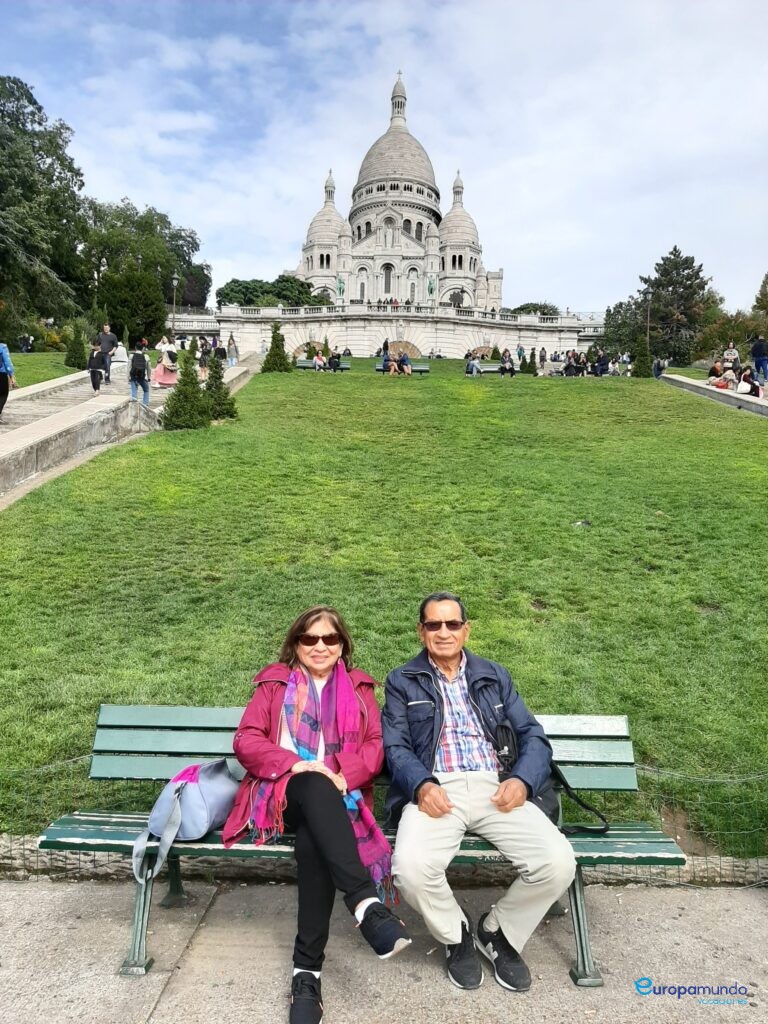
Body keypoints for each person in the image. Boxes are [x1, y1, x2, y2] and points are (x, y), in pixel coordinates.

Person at [222, 606, 411, 1024]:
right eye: (310, 639)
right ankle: (366, 903)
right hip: (280, 795)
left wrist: (343, 773)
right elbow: (246, 739)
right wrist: (293, 763)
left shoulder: (360, 690)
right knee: (312, 783)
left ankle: (306, 975)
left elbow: (376, 745)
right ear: (296, 645)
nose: (320, 646)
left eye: (329, 638)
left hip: (337, 800)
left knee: (315, 841)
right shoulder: (274, 684)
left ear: (342, 645)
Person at [382, 592, 575, 994]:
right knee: (411, 871)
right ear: (421, 632)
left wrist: (521, 780)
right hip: (436, 789)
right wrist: (421, 784)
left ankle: (499, 930)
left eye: (452, 624)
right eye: (433, 625)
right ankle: (457, 934)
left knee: (557, 863)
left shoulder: (494, 675)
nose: (444, 632)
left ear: (466, 629)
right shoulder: (403, 680)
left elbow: (532, 736)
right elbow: (395, 747)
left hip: (495, 787)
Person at [128, 341, 151, 407]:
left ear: (135, 348)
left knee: (134, 391)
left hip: (133, 376)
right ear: (143, 348)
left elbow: (129, 368)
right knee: (146, 390)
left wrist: (128, 377)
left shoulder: (131, 356)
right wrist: (149, 377)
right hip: (142, 376)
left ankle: (134, 402)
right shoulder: (146, 356)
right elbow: (149, 368)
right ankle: (145, 404)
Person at [0, 341, 18, 418]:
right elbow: (7, 362)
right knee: (3, 395)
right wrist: (11, 375)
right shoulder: (2, 347)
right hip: (1, 374)